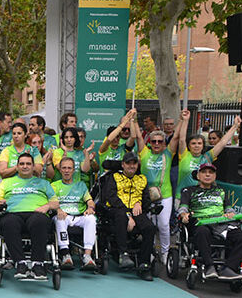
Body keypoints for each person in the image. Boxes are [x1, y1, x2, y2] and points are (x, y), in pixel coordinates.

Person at [178, 163, 242, 280]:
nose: (207, 175)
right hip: (200, 223)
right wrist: (184, 215)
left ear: (215, 176)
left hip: (221, 224)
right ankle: (209, 267)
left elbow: (228, 208)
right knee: (203, 231)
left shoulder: (221, 191)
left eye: (211, 172)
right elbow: (183, 208)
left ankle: (229, 268)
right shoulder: (189, 190)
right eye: (204, 172)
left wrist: (230, 214)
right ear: (198, 176)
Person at [0, 153, 58, 281]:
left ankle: (38, 264)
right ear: (17, 166)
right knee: (8, 222)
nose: (25, 166)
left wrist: (47, 206)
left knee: (40, 221)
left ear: (33, 167)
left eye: (28, 164)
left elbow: (55, 203)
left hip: (36, 213)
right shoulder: (6, 182)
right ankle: (20, 263)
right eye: (22, 164)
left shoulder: (44, 183)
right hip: (13, 214)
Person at [102, 152, 156, 280]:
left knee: (150, 228)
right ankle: (123, 253)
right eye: (128, 163)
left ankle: (144, 263)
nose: (131, 166)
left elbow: (147, 199)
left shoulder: (142, 179)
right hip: (117, 209)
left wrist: (139, 203)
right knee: (121, 216)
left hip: (136, 210)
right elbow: (111, 197)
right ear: (123, 165)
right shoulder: (114, 177)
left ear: (137, 165)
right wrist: (128, 214)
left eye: (134, 163)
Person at [133, 120, 181, 263]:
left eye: (160, 141)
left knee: (164, 224)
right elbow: (138, 138)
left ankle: (165, 252)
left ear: (164, 143)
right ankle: (152, 249)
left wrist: (183, 120)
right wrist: (134, 121)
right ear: (150, 142)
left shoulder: (168, 154)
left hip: (164, 195)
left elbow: (177, 137)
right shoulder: (145, 153)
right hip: (146, 196)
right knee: (150, 225)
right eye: (153, 141)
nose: (156, 144)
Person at [176, 112, 239, 196]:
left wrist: (235, 126)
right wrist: (185, 120)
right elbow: (181, 139)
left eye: (199, 143)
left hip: (201, 198)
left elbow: (222, 143)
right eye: (193, 143)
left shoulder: (207, 157)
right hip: (182, 197)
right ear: (188, 146)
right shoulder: (184, 155)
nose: (196, 146)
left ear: (203, 146)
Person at [51, 157, 97, 270]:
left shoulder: (81, 185)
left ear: (73, 170)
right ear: (60, 170)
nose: (66, 171)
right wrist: (58, 210)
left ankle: (87, 255)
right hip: (63, 215)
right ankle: (65, 254)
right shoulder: (54, 185)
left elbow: (90, 201)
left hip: (79, 215)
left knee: (91, 219)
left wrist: (90, 207)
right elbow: (51, 203)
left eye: (69, 168)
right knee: (59, 218)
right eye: (64, 168)